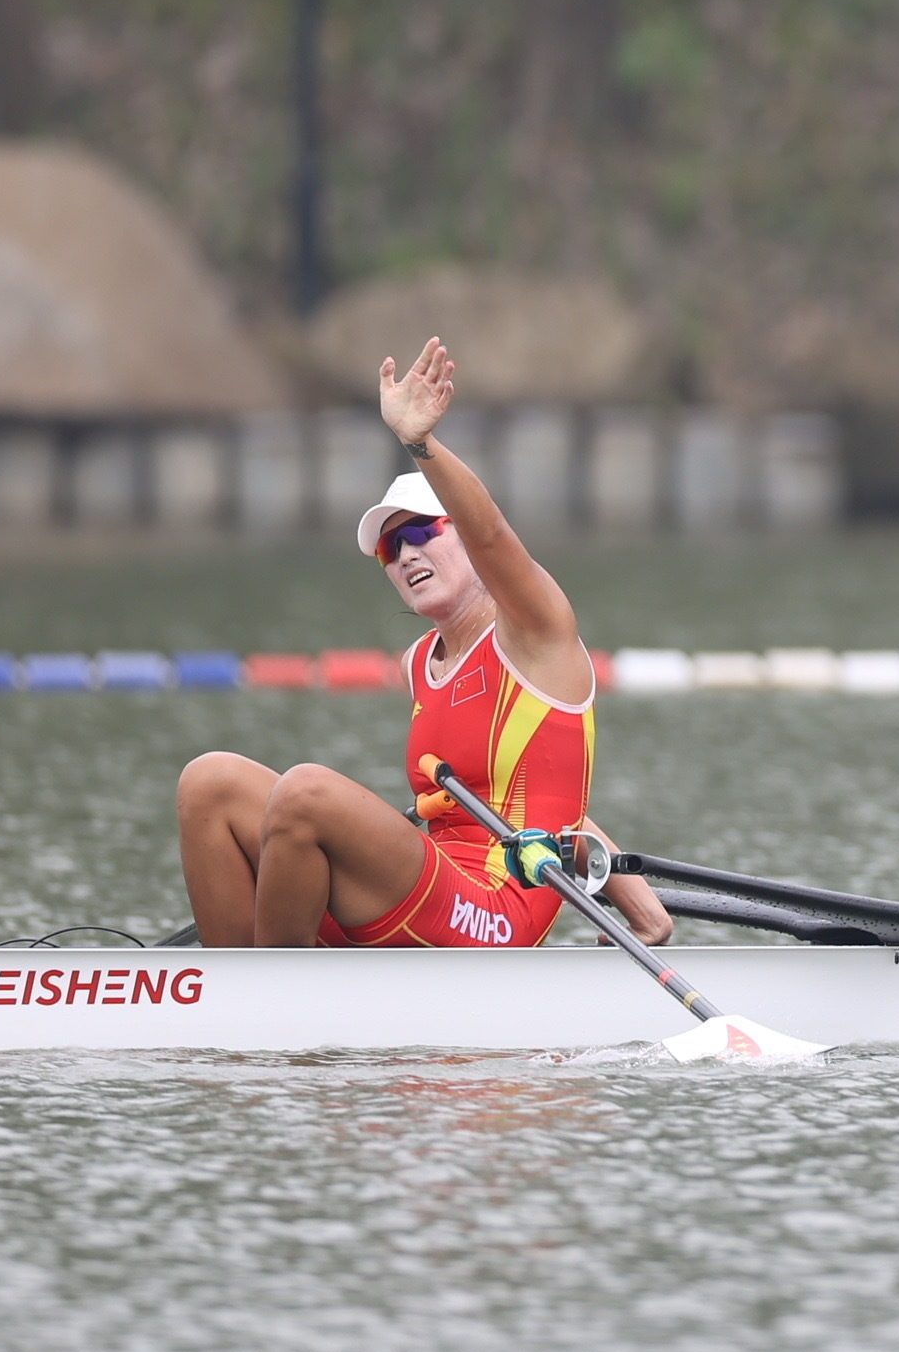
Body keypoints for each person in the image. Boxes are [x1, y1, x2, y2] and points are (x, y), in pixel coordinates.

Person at [177, 339, 673, 950]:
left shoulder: (536, 629)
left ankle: (273, 1010)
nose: (406, 554)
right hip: (431, 892)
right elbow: (551, 798)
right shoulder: (420, 664)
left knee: (306, 792)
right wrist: (642, 908)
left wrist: (420, 443)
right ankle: (227, 1002)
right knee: (210, 784)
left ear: (459, 535)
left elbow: (491, 535)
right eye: (390, 548)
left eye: (418, 532)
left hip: (494, 910)